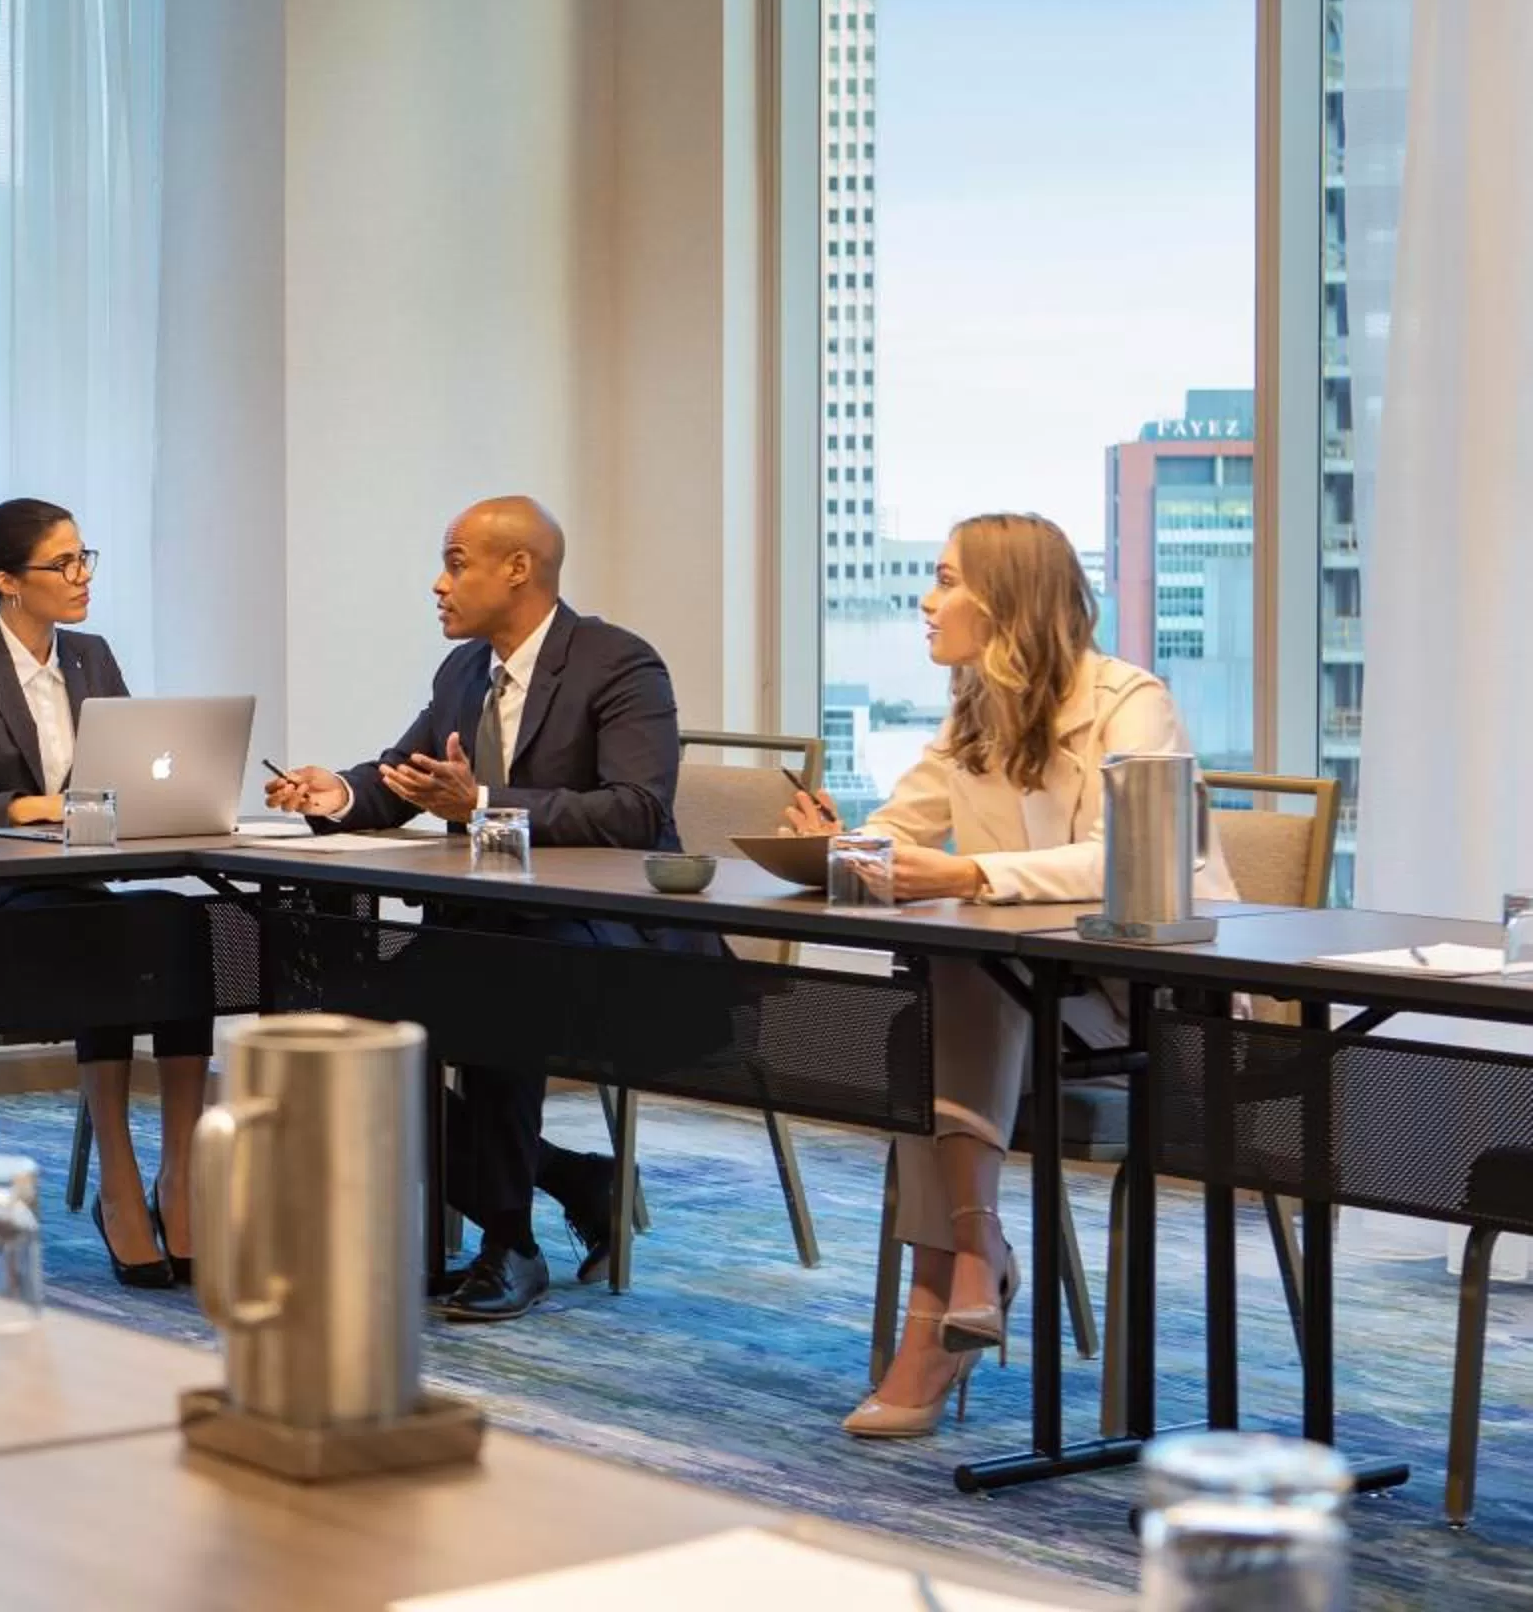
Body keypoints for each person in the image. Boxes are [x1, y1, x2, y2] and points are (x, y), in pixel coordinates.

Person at [785, 512, 1237, 1439]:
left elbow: (1134, 865)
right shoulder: (972, 715)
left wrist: (972, 874)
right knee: (944, 994)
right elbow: (900, 828)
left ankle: (951, 1298)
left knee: (948, 989)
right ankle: (970, 1258)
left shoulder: (1130, 702)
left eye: (945, 579)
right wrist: (842, 843)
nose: (926, 599)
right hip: (1019, 1003)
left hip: (1147, 1012)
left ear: (1006, 600)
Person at [264, 496, 688, 1321]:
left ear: (518, 569)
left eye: (455, 562)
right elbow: (407, 777)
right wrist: (338, 790)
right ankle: (572, 1176)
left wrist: (487, 801)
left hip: (607, 941)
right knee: (345, 1024)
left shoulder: (619, 664)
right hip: (493, 931)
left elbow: (638, 809)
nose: (438, 583)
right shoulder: (463, 673)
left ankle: (510, 1242)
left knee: (496, 982)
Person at [0, 500, 216, 1287]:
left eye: (84, 560)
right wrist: (15, 807)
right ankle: (120, 1179)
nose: (81, 578)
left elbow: (132, 769)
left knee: (182, 923)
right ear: (6, 581)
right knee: (110, 936)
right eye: (62, 564)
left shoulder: (91, 658)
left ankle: (181, 1172)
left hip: (74, 892)